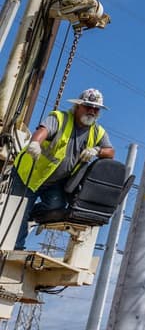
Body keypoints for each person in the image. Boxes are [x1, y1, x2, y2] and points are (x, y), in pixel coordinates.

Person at [9, 88, 115, 249]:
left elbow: (111, 152)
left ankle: (30, 216)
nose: (92, 111)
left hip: (55, 182)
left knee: (55, 208)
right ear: (78, 106)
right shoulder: (60, 118)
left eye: (96, 109)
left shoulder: (97, 132)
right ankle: (15, 247)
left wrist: (97, 150)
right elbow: (42, 131)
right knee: (17, 211)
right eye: (88, 106)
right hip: (28, 176)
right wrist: (35, 143)